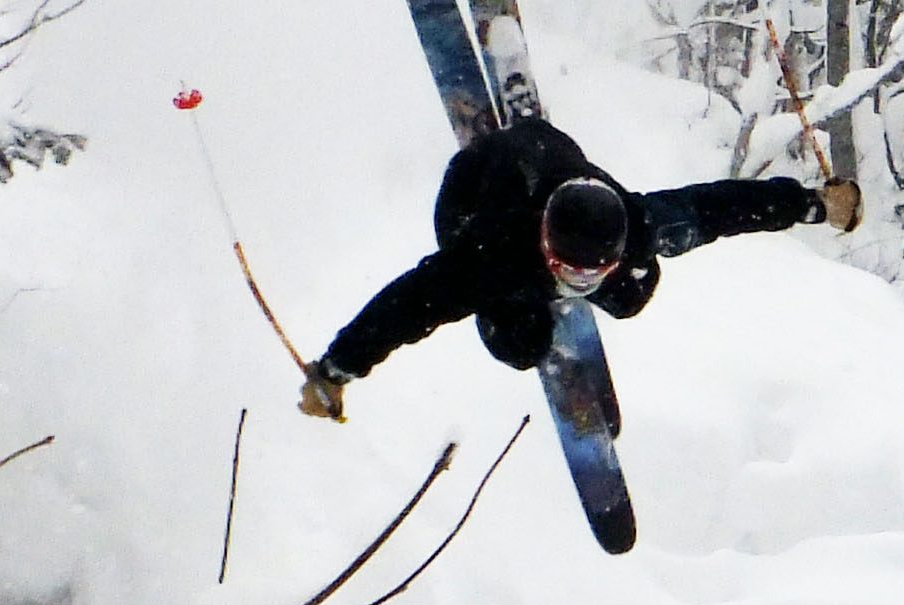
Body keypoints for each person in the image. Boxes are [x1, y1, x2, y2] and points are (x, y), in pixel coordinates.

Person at [299, 115, 860, 418]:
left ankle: (530, 150)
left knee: (632, 294)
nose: (579, 283)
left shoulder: (636, 224)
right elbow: (407, 306)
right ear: (547, 245)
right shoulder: (494, 256)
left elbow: (720, 208)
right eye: (569, 272)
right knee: (521, 346)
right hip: (471, 192)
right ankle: (512, 308)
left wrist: (813, 204)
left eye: (591, 274)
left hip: (547, 148)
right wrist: (335, 370)